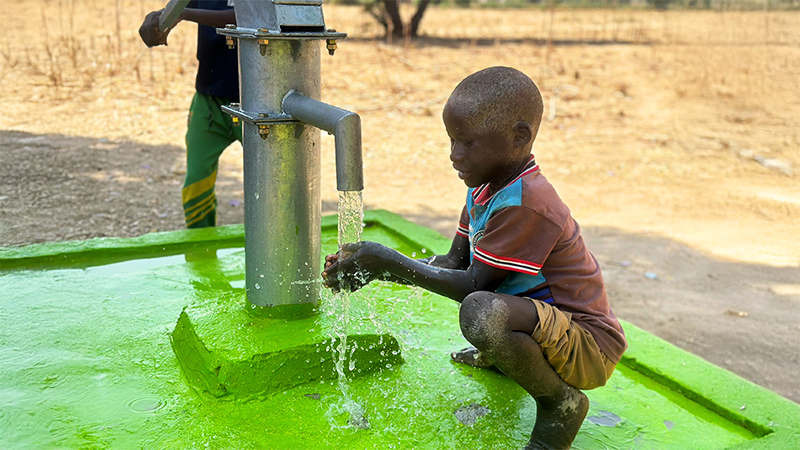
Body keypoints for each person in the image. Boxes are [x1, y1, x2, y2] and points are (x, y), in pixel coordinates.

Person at [322, 67, 627, 450]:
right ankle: (506, 360)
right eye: (452, 140)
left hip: (588, 347)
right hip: (549, 327)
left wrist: (386, 260)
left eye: (468, 142)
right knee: (484, 308)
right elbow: (453, 263)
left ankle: (560, 405)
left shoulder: (527, 203)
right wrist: (372, 268)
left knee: (480, 312)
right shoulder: (486, 188)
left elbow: (473, 285)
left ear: (519, 136)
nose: (454, 154)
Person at [139, 1, 240, 228]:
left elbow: (247, 16)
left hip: (259, 103)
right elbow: (176, 8)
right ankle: (200, 246)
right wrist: (159, 19)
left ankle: (279, 246)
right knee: (196, 184)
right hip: (209, 100)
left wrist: (183, 14)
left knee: (273, 187)